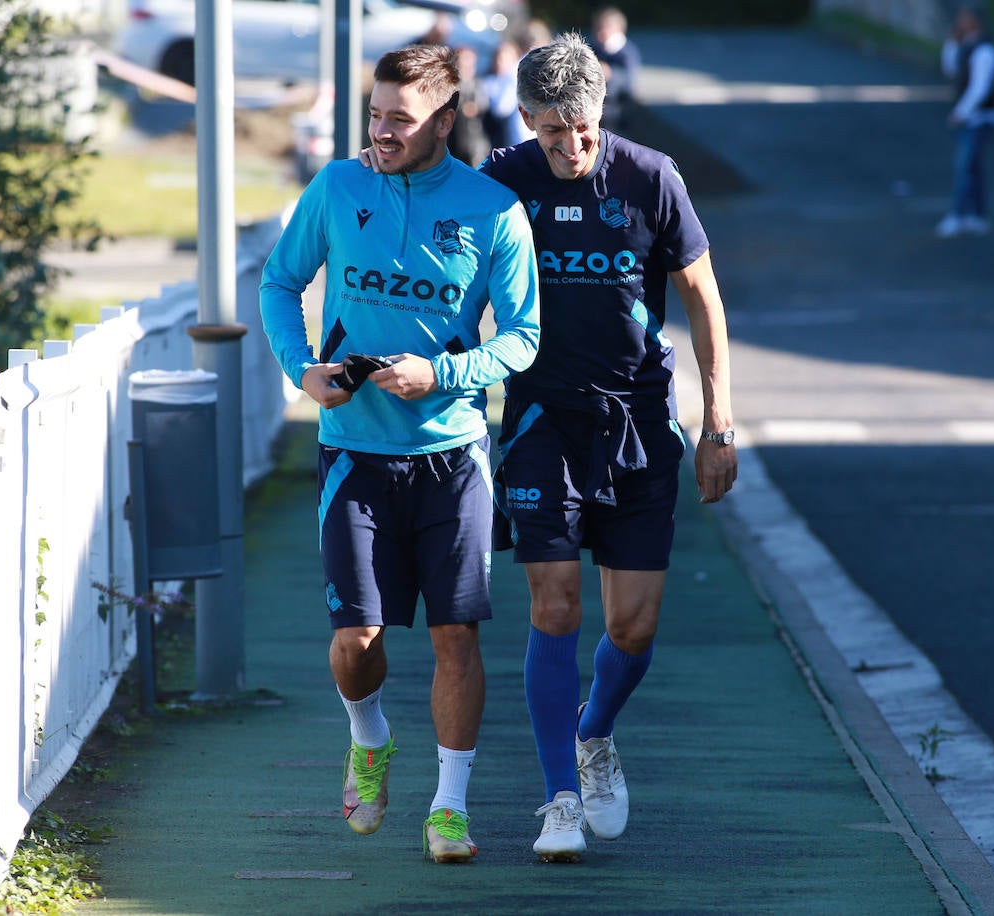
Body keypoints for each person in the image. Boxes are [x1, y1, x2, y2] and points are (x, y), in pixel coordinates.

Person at [257, 44, 540, 864]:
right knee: (359, 642)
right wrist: (302, 369)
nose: (381, 133)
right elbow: (279, 283)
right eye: (375, 116)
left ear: (445, 122)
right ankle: (368, 736)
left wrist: (443, 373)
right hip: (353, 452)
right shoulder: (339, 187)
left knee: (457, 639)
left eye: (400, 121)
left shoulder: (494, 211)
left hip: (453, 455)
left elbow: (522, 340)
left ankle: (449, 807)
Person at [483, 33, 737, 863]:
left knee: (632, 626)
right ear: (527, 120)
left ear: (602, 111)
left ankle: (595, 734)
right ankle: (558, 799)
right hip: (541, 422)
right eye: (553, 132)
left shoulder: (651, 178)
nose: (572, 146)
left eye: (583, 128)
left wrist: (717, 426)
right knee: (554, 605)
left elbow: (703, 298)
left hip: (636, 424)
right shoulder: (503, 181)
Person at [936, 5, 994, 238]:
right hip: (969, 117)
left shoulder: (986, 51)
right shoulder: (966, 46)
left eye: (965, 19)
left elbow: (980, 88)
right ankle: (977, 215)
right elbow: (950, 67)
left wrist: (962, 112)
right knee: (973, 168)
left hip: (980, 118)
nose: (961, 22)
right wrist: (951, 42)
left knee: (964, 167)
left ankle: (958, 214)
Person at [588, 7, 640, 130]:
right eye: (599, 29)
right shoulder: (595, 48)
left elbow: (628, 80)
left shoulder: (625, 52)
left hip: (617, 107)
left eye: (606, 29)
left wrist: (610, 74)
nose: (601, 33)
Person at [479, 39, 531, 150]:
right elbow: (499, 109)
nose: (499, 62)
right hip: (502, 142)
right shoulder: (488, 82)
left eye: (504, 59)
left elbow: (502, 107)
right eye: (498, 58)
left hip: (523, 137)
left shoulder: (519, 79)